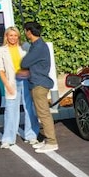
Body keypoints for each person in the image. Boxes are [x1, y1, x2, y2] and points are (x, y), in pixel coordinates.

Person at [0, 27, 39, 148]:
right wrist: (7, 85)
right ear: (6, 36)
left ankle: (31, 136)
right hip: (12, 83)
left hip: (26, 81)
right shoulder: (0, 51)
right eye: (11, 35)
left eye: (15, 35)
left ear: (18, 36)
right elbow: (1, 70)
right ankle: (8, 139)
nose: (13, 38)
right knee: (10, 110)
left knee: (29, 108)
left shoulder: (25, 47)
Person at [18, 21, 58, 152]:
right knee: (42, 113)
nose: (24, 33)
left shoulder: (39, 46)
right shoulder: (37, 45)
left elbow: (25, 62)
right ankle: (47, 139)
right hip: (37, 82)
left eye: (25, 31)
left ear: (29, 31)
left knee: (44, 114)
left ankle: (52, 142)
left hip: (39, 84)